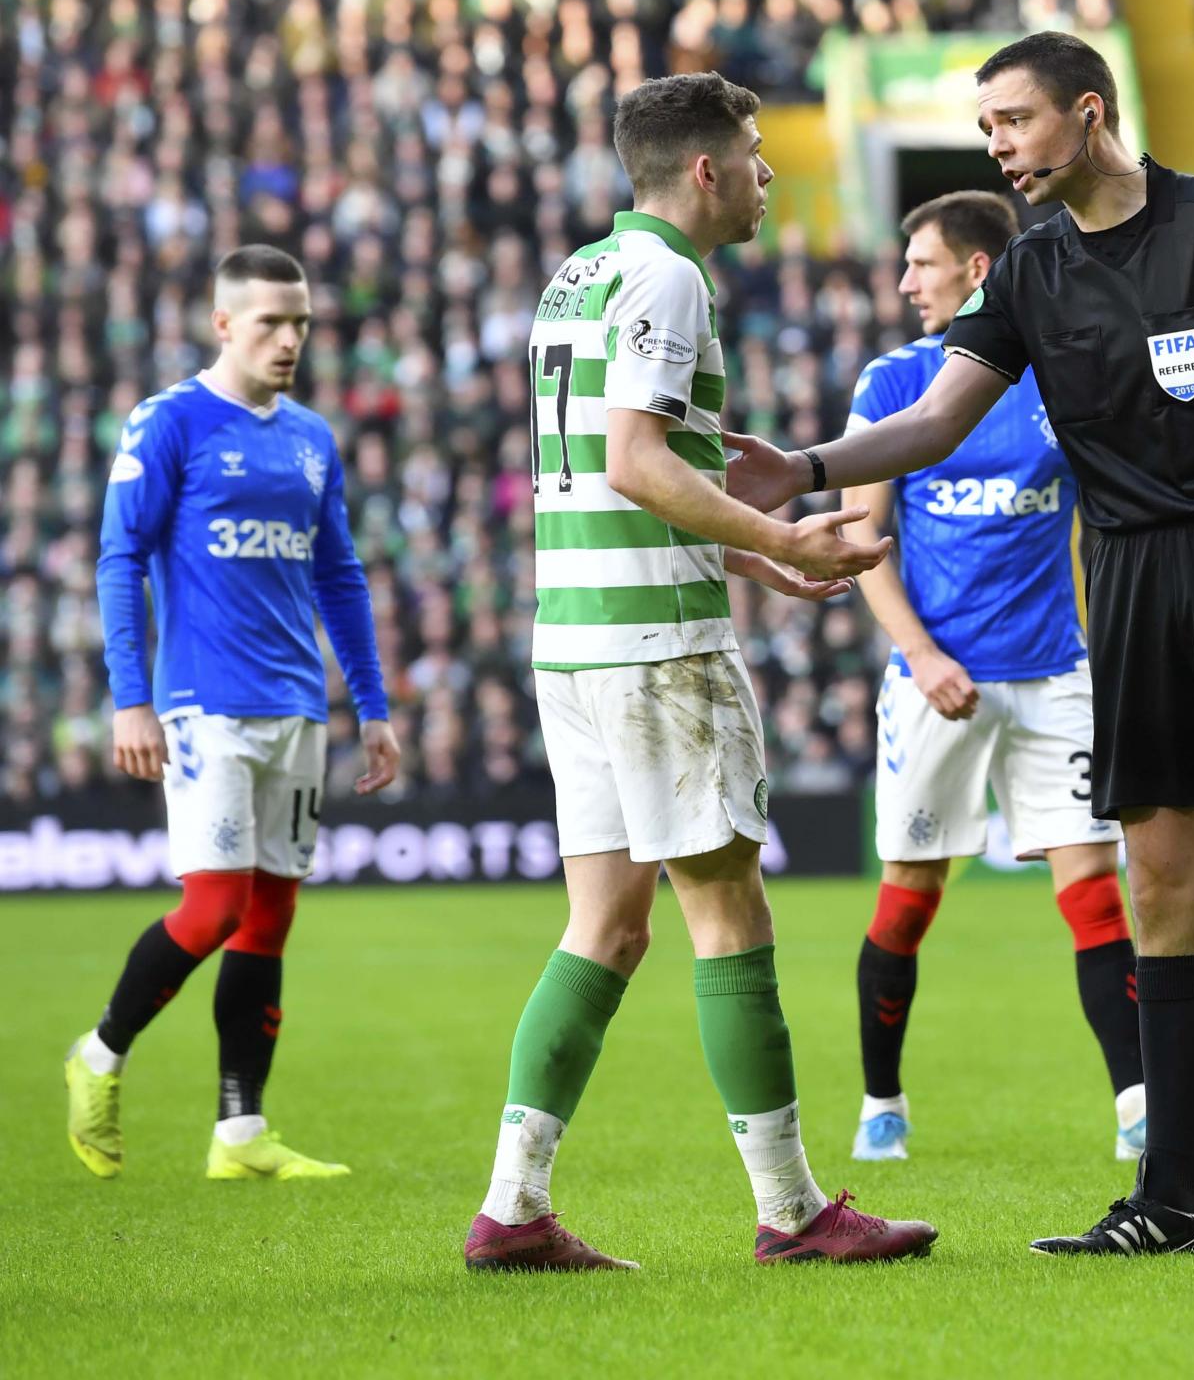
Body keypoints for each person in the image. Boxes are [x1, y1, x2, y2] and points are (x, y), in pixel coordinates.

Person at [724, 32, 1194, 1258]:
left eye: (1016, 122)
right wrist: (807, 466)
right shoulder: (1028, 275)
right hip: (1128, 580)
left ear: (1090, 114)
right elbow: (933, 419)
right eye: (988, 129)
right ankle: (1171, 1200)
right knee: (1164, 888)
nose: (999, 147)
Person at [462, 71, 934, 1272]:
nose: (773, 177)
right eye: (758, 156)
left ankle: (513, 1209)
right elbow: (633, 460)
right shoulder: (671, 276)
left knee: (606, 927)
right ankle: (792, 1212)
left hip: (572, 633)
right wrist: (779, 537)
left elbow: (635, 463)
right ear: (707, 170)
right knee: (728, 915)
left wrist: (753, 560)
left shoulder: (581, 274)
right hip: (658, 648)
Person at [841, 189, 1194, 1164]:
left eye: (921, 264)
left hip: (1056, 676)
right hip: (936, 677)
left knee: (1098, 888)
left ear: (977, 271)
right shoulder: (893, 382)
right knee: (909, 893)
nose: (905, 282)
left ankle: (1139, 1105)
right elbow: (861, 535)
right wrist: (922, 655)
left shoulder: (1058, 378)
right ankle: (880, 1100)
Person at [66, 244, 400, 1183]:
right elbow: (118, 557)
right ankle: (99, 1052)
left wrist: (370, 706)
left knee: (270, 917)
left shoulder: (311, 438)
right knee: (213, 907)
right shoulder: (169, 421)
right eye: (269, 323)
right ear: (223, 324)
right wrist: (130, 696)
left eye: (300, 323)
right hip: (204, 704)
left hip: (297, 705)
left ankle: (240, 1132)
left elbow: (339, 575)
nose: (290, 339)